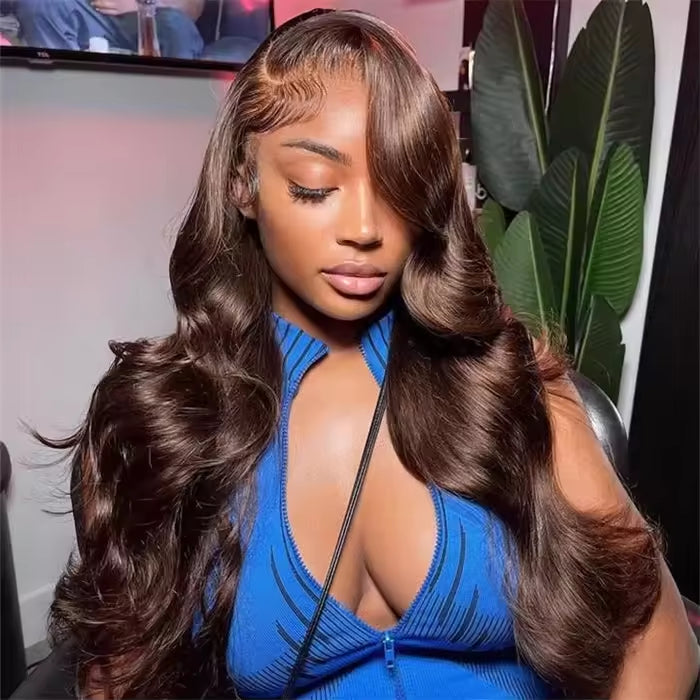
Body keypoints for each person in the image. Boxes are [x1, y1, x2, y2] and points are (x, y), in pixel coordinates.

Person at [42, 9, 699, 700]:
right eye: (315, 186)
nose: (364, 228)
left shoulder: (505, 380)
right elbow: (121, 675)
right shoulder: (162, 417)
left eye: (399, 187)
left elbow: (659, 642)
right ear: (241, 183)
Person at [12, 0, 205, 58]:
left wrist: (141, 4)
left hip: (151, 19)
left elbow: (192, 7)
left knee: (177, 24)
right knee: (40, 4)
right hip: (86, 12)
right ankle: (62, 94)